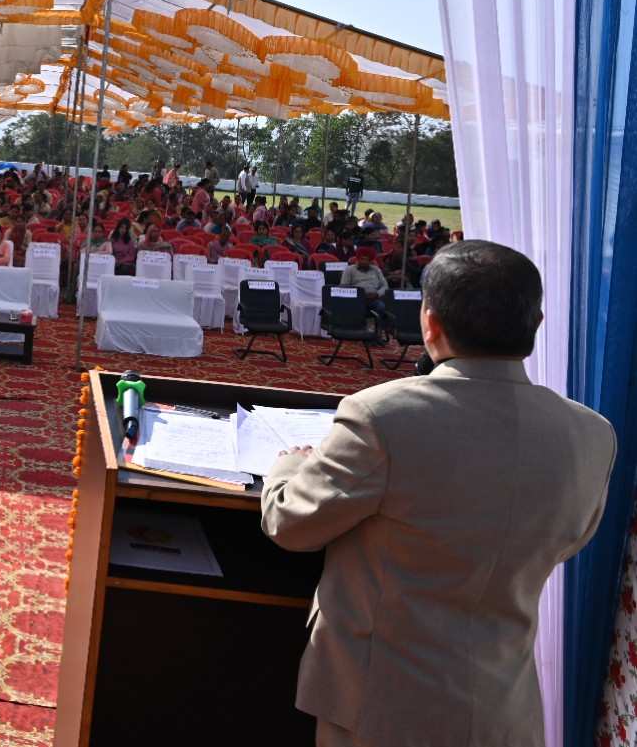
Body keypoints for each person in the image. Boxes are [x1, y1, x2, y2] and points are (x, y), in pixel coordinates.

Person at [261, 241, 615, 747]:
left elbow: (291, 524)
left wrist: (288, 466)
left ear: (429, 323)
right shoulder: (593, 435)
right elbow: (566, 541)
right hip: (503, 709)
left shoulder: (380, 416)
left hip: (381, 704)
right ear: (536, 325)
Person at [339, 247, 389, 326]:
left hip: (373, 299)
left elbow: (385, 286)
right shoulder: (349, 270)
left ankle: (376, 328)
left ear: (371, 261)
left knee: (381, 306)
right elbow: (343, 287)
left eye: (367, 260)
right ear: (358, 259)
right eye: (362, 259)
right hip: (356, 300)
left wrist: (377, 294)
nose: (364, 262)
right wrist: (358, 295)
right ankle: (359, 326)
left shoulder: (376, 270)